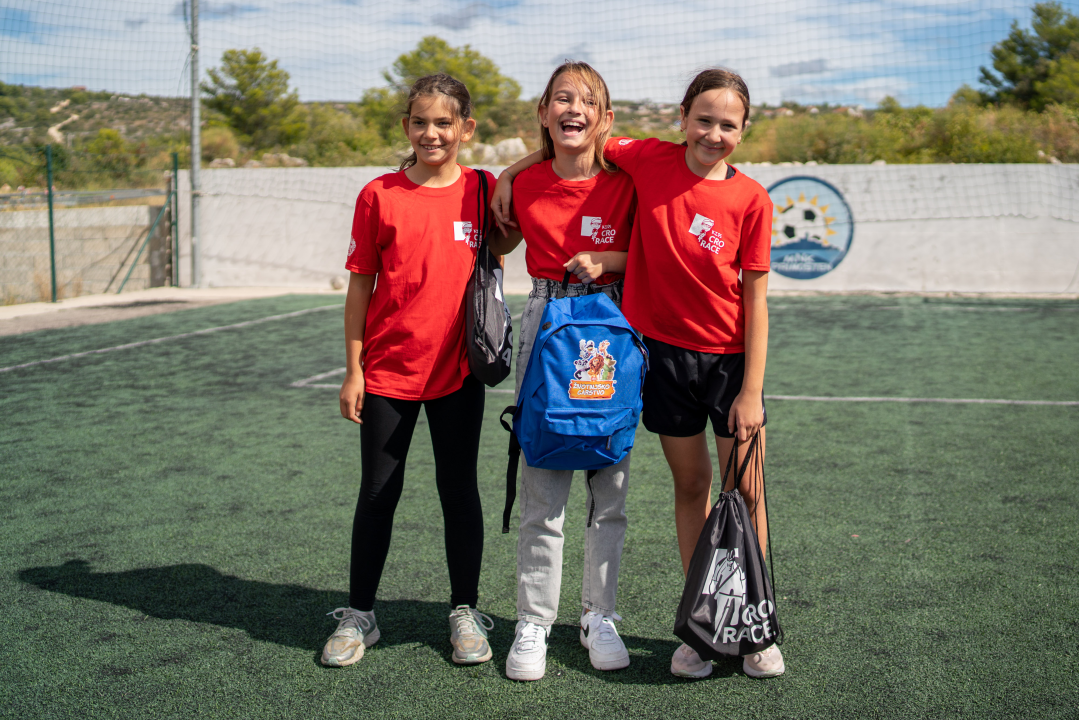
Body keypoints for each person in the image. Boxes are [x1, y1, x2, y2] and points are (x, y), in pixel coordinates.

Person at [494, 68, 784, 679]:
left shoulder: (750, 197)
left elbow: (756, 299)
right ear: (681, 119)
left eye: (727, 123)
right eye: (702, 119)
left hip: (724, 363)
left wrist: (752, 390)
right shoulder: (649, 160)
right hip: (659, 356)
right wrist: (511, 171)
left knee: (745, 493)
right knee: (690, 487)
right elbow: (575, 138)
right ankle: (705, 626)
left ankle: (752, 622)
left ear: (744, 130)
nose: (713, 132)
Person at [322, 73, 496, 668]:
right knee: (378, 492)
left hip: (458, 375)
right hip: (389, 374)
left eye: (445, 123)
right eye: (420, 122)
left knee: (459, 491)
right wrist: (353, 370)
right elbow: (359, 289)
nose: (432, 133)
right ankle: (360, 615)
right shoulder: (380, 195)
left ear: (466, 129)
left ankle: (465, 613)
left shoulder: (483, 189)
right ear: (406, 127)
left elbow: (528, 209)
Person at [487, 61, 637, 681]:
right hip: (546, 321)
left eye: (588, 101)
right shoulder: (523, 186)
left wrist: (607, 259)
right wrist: (506, 177)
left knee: (611, 486)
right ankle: (534, 622)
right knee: (543, 485)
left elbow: (656, 253)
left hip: (608, 323)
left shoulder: (630, 182)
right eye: (561, 99)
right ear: (544, 113)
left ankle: (599, 615)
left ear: (605, 119)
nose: (574, 109)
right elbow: (496, 249)